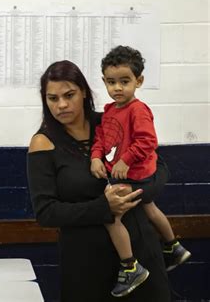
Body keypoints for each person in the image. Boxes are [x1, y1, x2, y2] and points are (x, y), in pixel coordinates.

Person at [27, 59, 172, 301]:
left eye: (69, 95)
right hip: (87, 263)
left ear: (83, 92)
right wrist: (104, 208)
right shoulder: (43, 142)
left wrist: (138, 191)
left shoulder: (110, 119)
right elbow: (46, 213)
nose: (62, 105)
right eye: (52, 98)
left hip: (141, 253)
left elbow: (160, 167)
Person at [90, 45, 191, 297]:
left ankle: (130, 266)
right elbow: (102, 138)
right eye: (111, 82)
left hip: (136, 174)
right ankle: (174, 247)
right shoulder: (111, 111)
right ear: (104, 81)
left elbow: (148, 141)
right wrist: (95, 157)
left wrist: (124, 159)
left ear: (139, 81)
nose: (117, 88)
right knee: (150, 207)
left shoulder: (138, 109)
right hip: (129, 174)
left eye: (125, 81)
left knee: (110, 217)